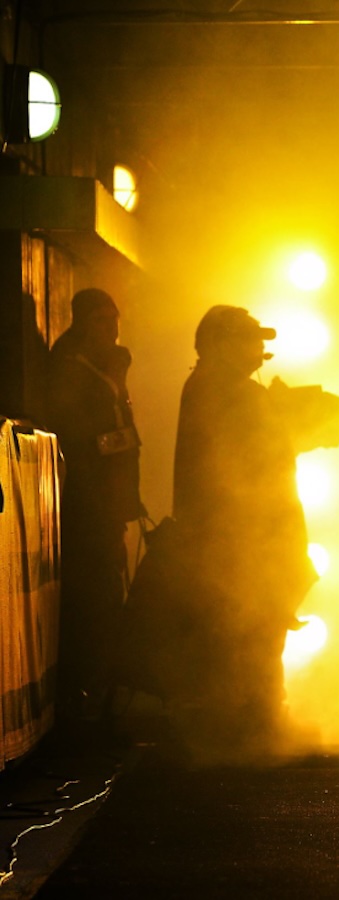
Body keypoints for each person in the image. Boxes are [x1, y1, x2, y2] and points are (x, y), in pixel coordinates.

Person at [171, 305, 315, 757]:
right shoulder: (223, 390)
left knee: (253, 629)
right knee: (251, 629)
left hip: (247, 533)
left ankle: (252, 722)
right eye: (249, 339)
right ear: (220, 344)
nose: (259, 348)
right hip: (243, 536)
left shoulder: (213, 387)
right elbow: (251, 460)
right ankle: (254, 726)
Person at [47, 288, 143, 721]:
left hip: (108, 506)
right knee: (95, 599)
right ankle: (84, 697)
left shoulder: (102, 370)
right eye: (103, 321)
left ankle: (99, 694)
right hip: (87, 509)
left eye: (115, 320)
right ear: (82, 323)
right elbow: (87, 443)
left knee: (109, 593)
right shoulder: (72, 371)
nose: (113, 330)